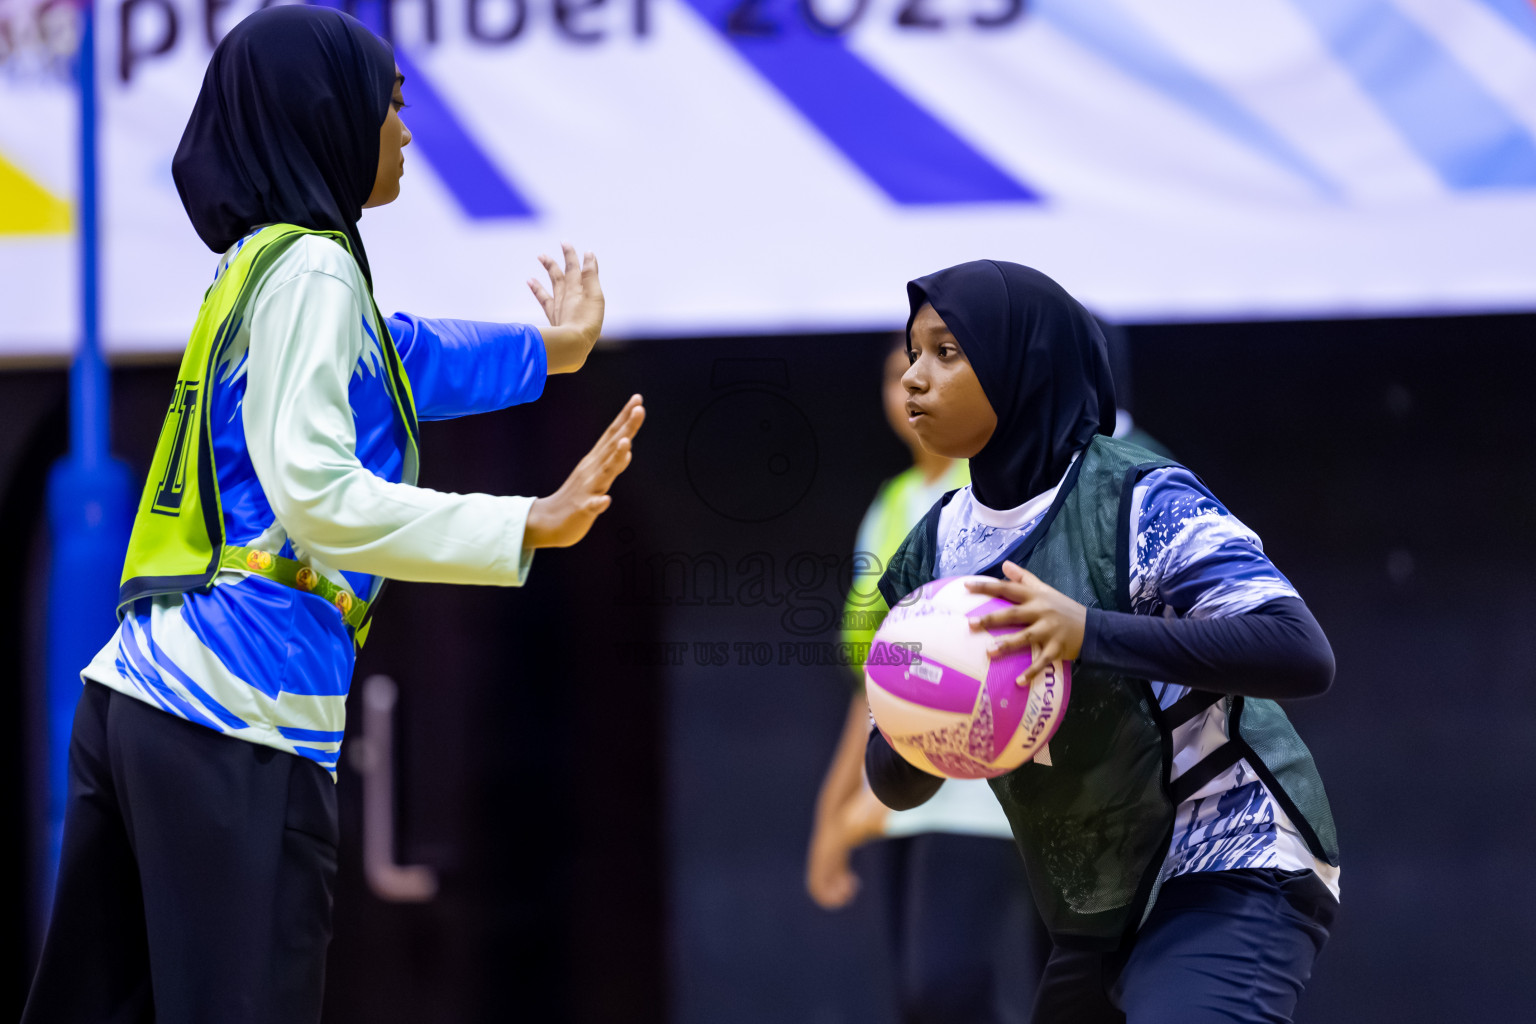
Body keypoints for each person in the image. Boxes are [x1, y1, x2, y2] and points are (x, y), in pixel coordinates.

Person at [21, 7, 644, 1023]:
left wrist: (548, 352)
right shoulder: (309, 264)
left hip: (139, 698)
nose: (405, 129)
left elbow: (393, 356)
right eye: (393, 102)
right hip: (235, 709)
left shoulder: (267, 264)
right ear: (328, 112)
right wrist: (523, 524)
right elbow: (317, 495)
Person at [866, 260, 1339, 1023]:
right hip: (1097, 906)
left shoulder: (1141, 495)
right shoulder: (931, 551)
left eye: (946, 353)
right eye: (912, 354)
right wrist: (928, 725)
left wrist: (1086, 632)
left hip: (1227, 855)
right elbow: (892, 780)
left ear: (1025, 366)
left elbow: (1299, 649)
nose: (914, 379)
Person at [807, 334, 1043, 1023]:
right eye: (897, 373)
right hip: (905, 781)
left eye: (940, 365)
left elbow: (975, 667)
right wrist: (835, 809)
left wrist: (872, 805)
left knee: (948, 990)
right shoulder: (892, 504)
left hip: (983, 789)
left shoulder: (999, 493)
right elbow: (878, 683)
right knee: (924, 1001)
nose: (912, 386)